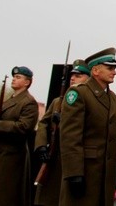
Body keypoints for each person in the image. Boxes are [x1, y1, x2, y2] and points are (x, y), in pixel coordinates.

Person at [60, 48, 116, 206]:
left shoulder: (114, 100)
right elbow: (70, 137)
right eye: (110, 68)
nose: (114, 72)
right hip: (86, 173)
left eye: (114, 69)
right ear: (95, 70)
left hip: (106, 175)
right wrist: (74, 173)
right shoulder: (79, 94)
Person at [0, 66, 39, 205]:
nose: (14, 79)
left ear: (27, 82)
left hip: (12, 157)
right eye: (14, 77)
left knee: (5, 197)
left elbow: (24, 127)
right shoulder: (6, 102)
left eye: (18, 77)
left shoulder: (29, 102)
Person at [33, 59, 90, 206]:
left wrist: (63, 119)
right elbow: (43, 123)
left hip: (73, 159)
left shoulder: (90, 101)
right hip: (53, 155)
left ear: (88, 78)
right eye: (72, 75)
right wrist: (41, 146)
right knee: (47, 198)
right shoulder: (58, 102)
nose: (73, 78)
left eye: (79, 75)